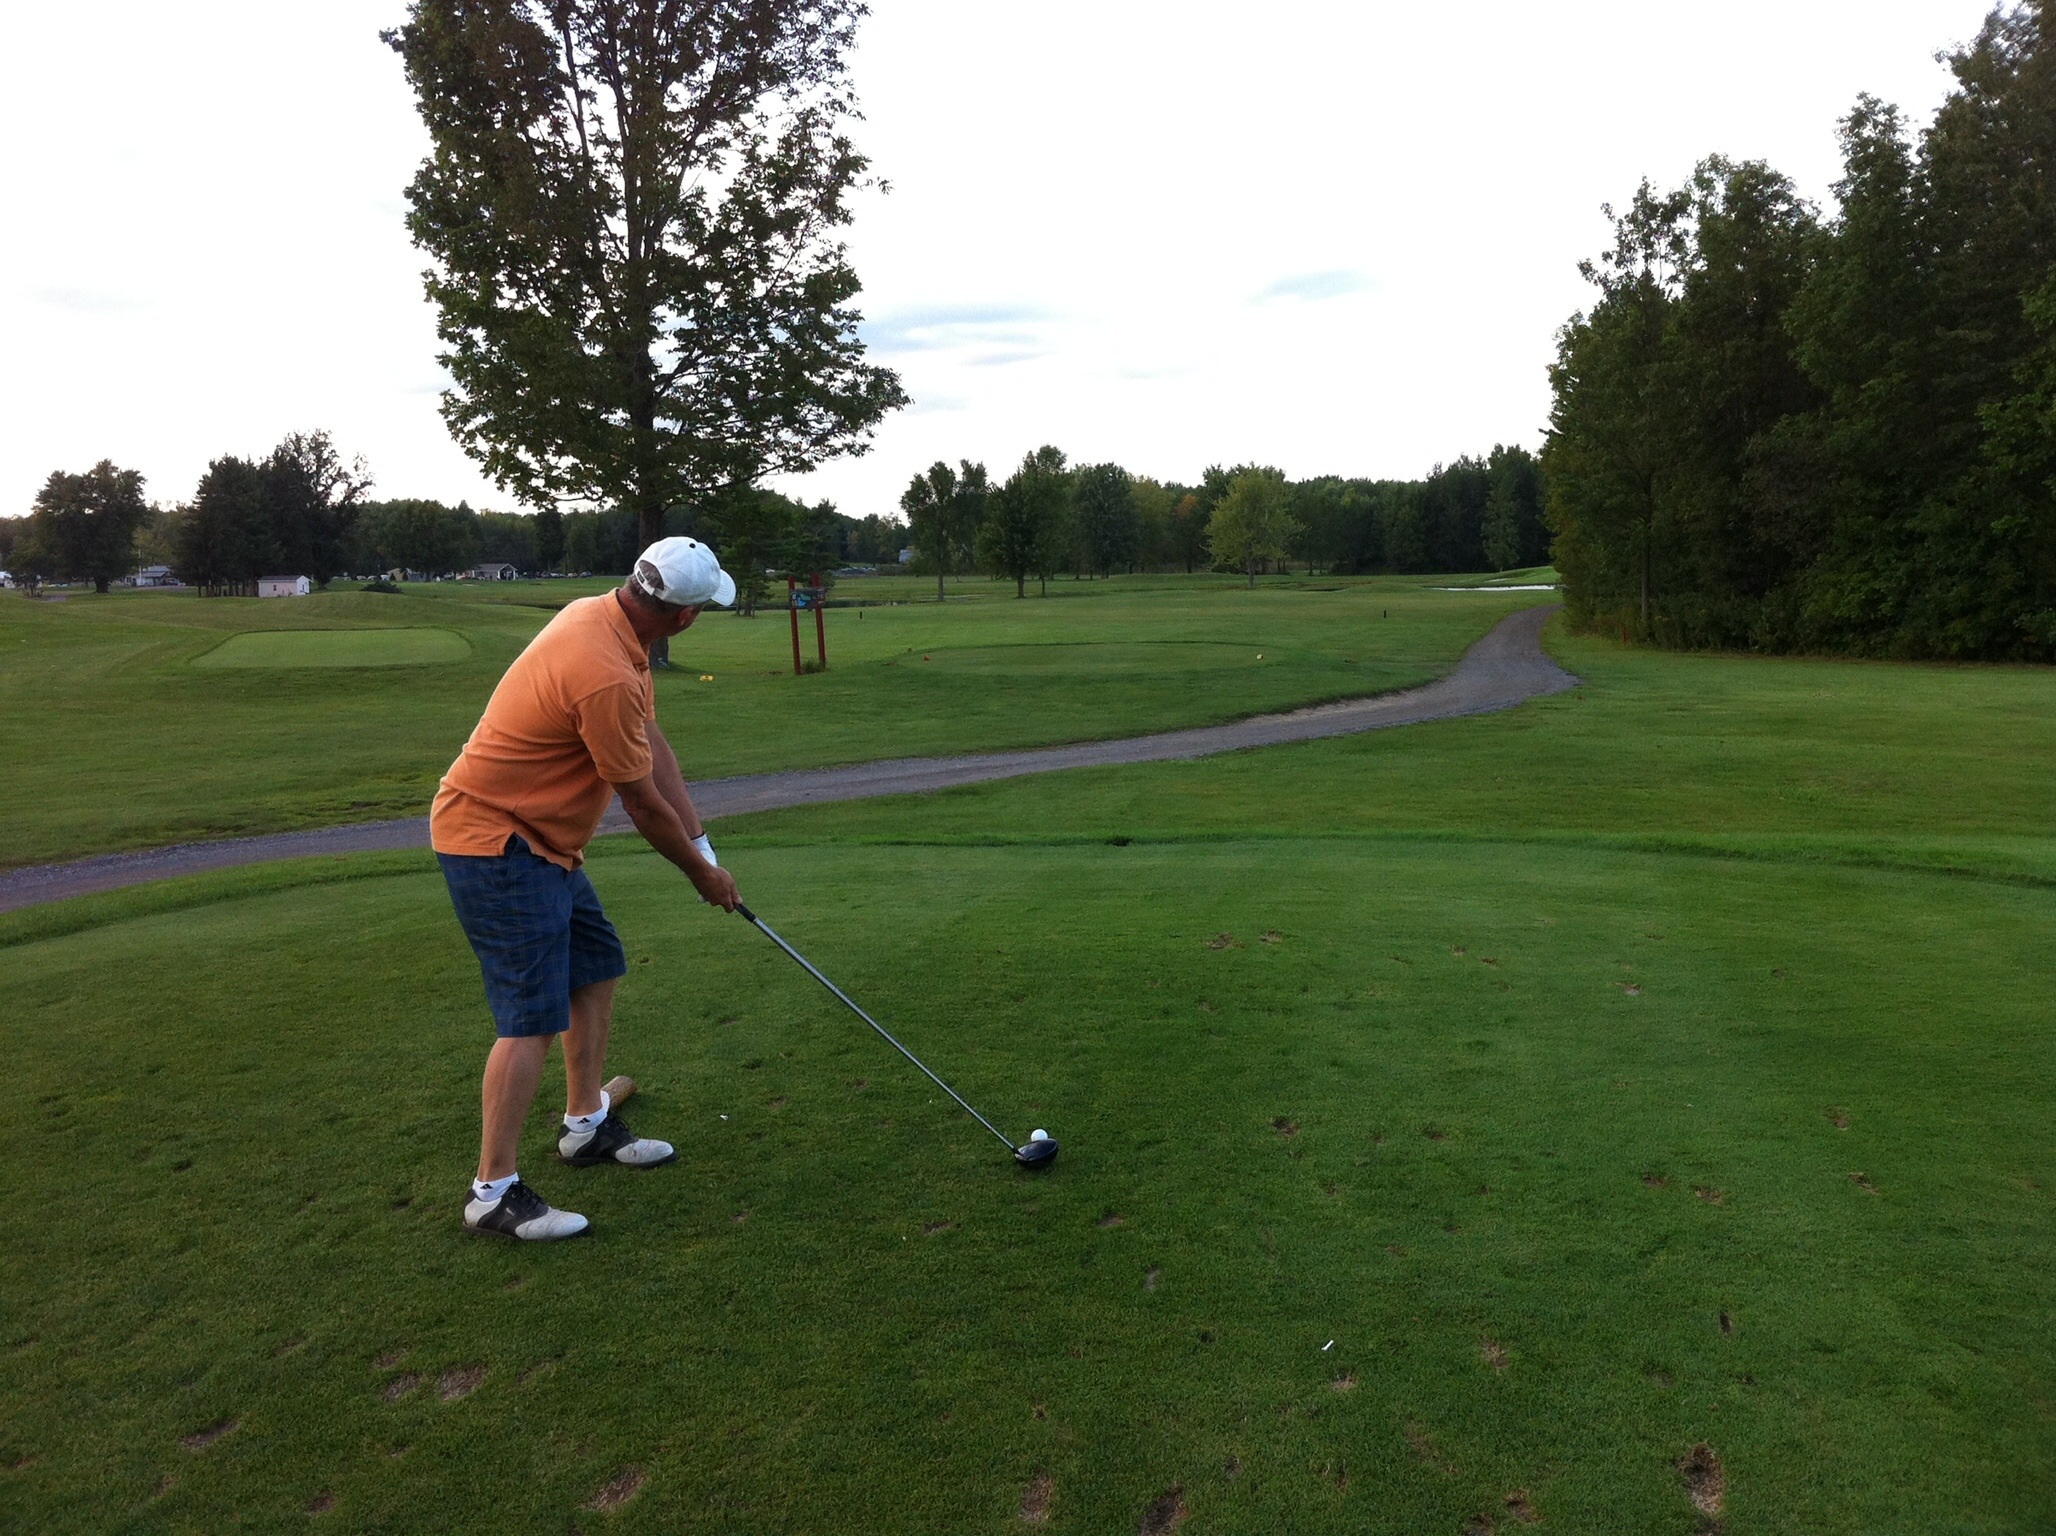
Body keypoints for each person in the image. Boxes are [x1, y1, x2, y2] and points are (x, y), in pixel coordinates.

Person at [430, 537, 742, 1241]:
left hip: (543, 843)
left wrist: (702, 844)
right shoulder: (604, 671)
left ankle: (585, 1124)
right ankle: (492, 1193)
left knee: (595, 966)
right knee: (530, 1018)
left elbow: (651, 744)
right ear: (684, 616)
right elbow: (641, 804)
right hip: (497, 843)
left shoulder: (607, 623)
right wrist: (702, 877)